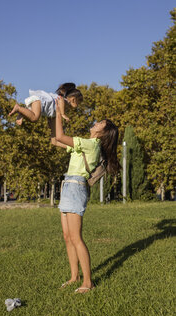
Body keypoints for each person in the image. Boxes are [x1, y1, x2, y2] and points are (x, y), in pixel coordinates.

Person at [54, 98, 120, 293]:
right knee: (67, 236)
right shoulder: (84, 144)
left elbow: (60, 134)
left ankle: (88, 282)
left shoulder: (92, 144)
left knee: (76, 237)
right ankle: (75, 277)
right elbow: (55, 139)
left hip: (76, 187)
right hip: (67, 186)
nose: (96, 122)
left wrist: (59, 112)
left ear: (103, 133)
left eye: (101, 123)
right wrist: (51, 113)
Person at [8, 83, 83, 142]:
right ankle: (18, 108)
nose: (78, 106)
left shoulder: (58, 110)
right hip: (40, 101)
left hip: (41, 105)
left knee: (33, 119)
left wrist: (71, 147)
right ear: (73, 99)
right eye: (78, 103)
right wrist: (63, 114)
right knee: (34, 118)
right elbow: (61, 100)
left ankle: (22, 113)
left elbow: (54, 140)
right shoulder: (65, 101)